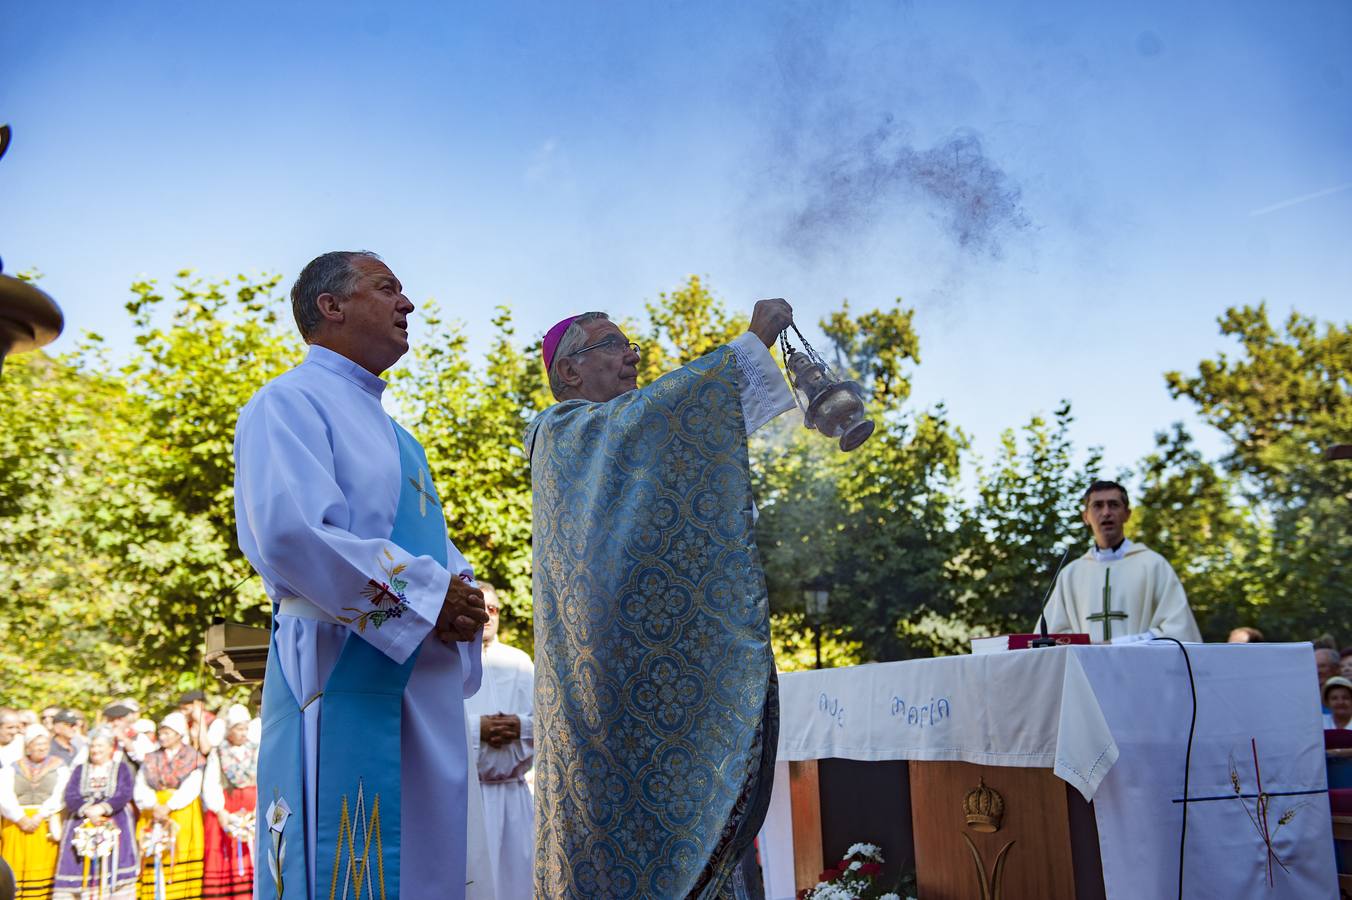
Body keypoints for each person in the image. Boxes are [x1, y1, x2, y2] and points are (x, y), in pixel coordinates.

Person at [233, 250, 489, 900]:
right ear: (331, 305)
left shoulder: (403, 439)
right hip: (342, 665)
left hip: (419, 687)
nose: (407, 304)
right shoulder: (286, 403)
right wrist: (432, 597)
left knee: (425, 867)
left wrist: (464, 595)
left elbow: (431, 545)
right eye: (387, 288)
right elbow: (293, 533)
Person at [527, 301, 796, 898]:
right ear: (568, 372)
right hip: (600, 699)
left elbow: (682, 442)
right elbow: (656, 420)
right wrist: (751, 345)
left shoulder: (623, 442)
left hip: (649, 682)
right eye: (612, 344)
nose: (632, 355)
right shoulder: (564, 432)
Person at [1040, 480, 1202, 643]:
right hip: (1086, 668)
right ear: (1086, 517)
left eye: (1114, 505)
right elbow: (1051, 639)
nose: (1106, 512)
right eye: (1097, 505)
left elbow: (1178, 632)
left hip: (1140, 667)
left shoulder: (1154, 566)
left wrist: (1117, 645)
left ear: (1127, 514)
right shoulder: (1070, 574)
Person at [463, 584, 534, 900]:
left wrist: (520, 726)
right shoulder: (452, 662)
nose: (488, 616)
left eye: (494, 609)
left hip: (513, 799)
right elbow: (437, 726)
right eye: (483, 608)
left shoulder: (520, 662)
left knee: (517, 885)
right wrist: (478, 728)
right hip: (469, 797)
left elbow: (546, 723)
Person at [53, 731, 139, 900]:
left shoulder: (121, 768)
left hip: (114, 822)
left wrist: (102, 808)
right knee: (78, 867)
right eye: (92, 745)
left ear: (110, 748)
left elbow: (124, 793)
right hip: (81, 823)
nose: (95, 749)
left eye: (100, 746)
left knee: (114, 865)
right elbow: (71, 795)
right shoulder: (80, 770)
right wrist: (87, 810)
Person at [133, 713, 204, 899]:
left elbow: (192, 785)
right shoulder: (151, 758)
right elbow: (141, 784)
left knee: (179, 854)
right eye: (161, 733)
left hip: (181, 811)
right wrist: (153, 805)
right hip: (154, 810)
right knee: (153, 852)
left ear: (179, 734)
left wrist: (170, 805)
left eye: (167, 733)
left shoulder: (192, 756)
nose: (163, 737)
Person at [0, 732, 67, 898]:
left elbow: (60, 794)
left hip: (44, 823)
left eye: (45, 744)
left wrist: (40, 815)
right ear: (28, 747)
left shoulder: (59, 767)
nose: (42, 748)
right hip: (16, 823)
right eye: (38, 744)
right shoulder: (12, 767)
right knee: (16, 861)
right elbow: (4, 795)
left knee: (43, 864)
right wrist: (20, 818)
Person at [200, 705, 255, 900]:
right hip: (228, 805)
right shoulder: (219, 752)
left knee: (252, 850)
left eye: (245, 728)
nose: (242, 733)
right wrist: (219, 809)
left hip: (252, 807)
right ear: (229, 729)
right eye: (239, 729)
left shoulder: (255, 749)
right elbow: (211, 782)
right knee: (226, 850)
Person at [175, 694, 219, 759]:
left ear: (199, 705)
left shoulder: (215, 722)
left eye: (186, 709)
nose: (183, 713)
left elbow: (205, 749)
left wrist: (200, 721)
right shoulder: (187, 723)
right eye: (181, 709)